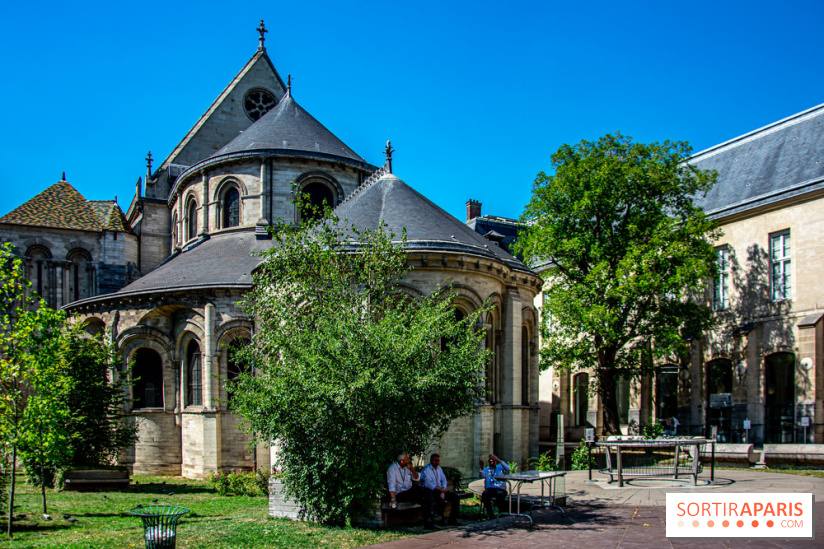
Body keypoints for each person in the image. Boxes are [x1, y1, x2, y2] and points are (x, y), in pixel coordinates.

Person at [420, 453, 460, 528]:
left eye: (438, 461)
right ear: (431, 460)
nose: (437, 462)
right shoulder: (426, 470)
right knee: (440, 500)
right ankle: (439, 519)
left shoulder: (439, 469)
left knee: (455, 497)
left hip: (440, 490)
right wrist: (440, 489)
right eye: (435, 460)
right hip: (430, 491)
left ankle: (452, 519)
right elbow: (428, 484)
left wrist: (443, 489)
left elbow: (444, 480)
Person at [478, 454, 510, 519]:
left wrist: (499, 460)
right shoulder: (486, 469)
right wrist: (481, 467)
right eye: (490, 461)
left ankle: (501, 513)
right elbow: (481, 476)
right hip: (490, 489)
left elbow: (508, 469)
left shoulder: (500, 468)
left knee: (500, 495)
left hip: (500, 488)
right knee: (485, 494)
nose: (492, 463)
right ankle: (491, 514)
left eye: (493, 461)